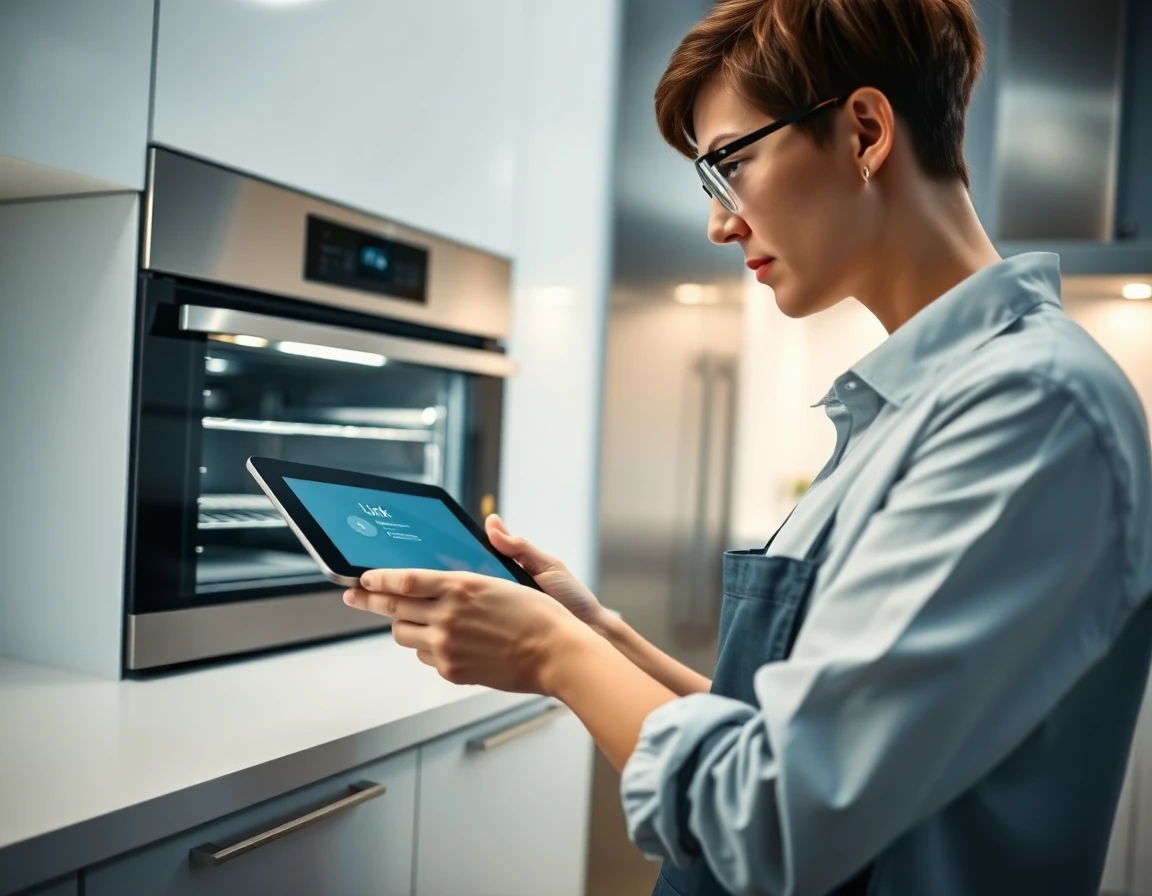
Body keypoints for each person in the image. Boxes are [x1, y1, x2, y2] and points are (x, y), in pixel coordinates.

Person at [343, 0, 1152, 893]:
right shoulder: (916, 404)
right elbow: (787, 746)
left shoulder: (1030, 409)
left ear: (865, 132)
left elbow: (772, 817)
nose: (719, 225)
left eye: (730, 166)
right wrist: (599, 635)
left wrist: (549, 654)